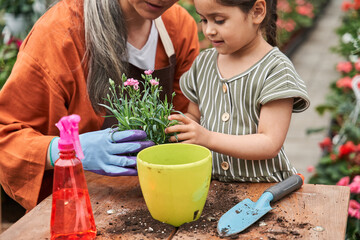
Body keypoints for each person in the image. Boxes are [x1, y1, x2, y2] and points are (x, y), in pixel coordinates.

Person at [0, 0, 199, 211]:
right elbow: (6, 139)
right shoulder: (60, 33)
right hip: (79, 207)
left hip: (156, 198)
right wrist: (69, 149)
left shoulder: (178, 26)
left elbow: (185, 120)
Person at [165, 0, 310, 183]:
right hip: (210, 184)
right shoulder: (203, 64)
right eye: (203, 20)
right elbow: (194, 116)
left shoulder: (276, 70)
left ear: (257, 12)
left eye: (219, 20)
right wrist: (182, 129)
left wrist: (207, 137)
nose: (209, 30)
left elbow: (269, 143)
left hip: (264, 189)